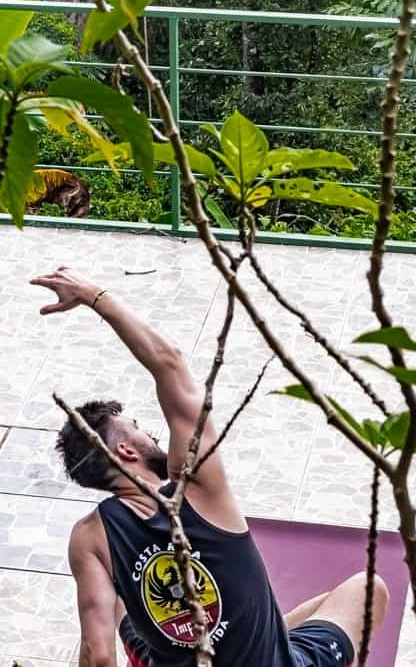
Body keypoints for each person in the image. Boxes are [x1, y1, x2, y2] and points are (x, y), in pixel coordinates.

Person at [31, 267, 388, 667]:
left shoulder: (88, 538)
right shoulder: (199, 489)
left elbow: (98, 656)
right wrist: (95, 295)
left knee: (119, 609)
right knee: (368, 589)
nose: (150, 431)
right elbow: (169, 364)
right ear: (126, 451)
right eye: (137, 429)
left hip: (164, 657)